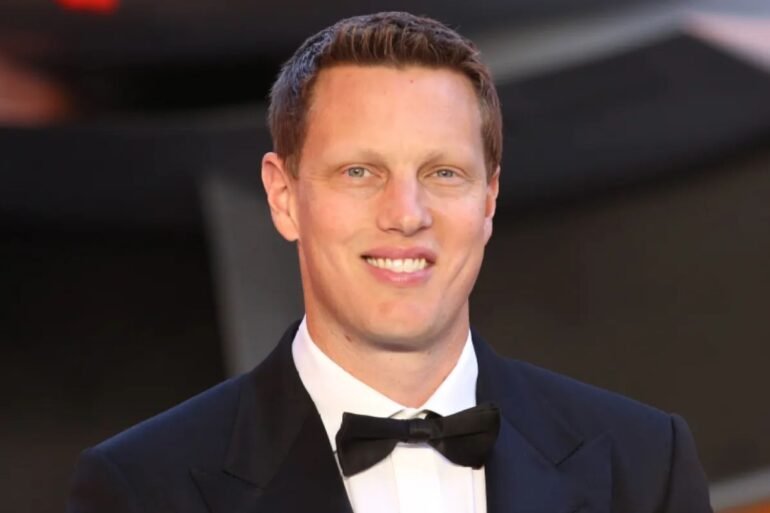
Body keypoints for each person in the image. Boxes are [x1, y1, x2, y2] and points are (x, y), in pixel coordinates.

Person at [67, 11, 713, 513]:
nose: (406, 214)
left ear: (489, 198)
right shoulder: (142, 487)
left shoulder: (643, 464)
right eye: (359, 171)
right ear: (284, 197)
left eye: (443, 172)